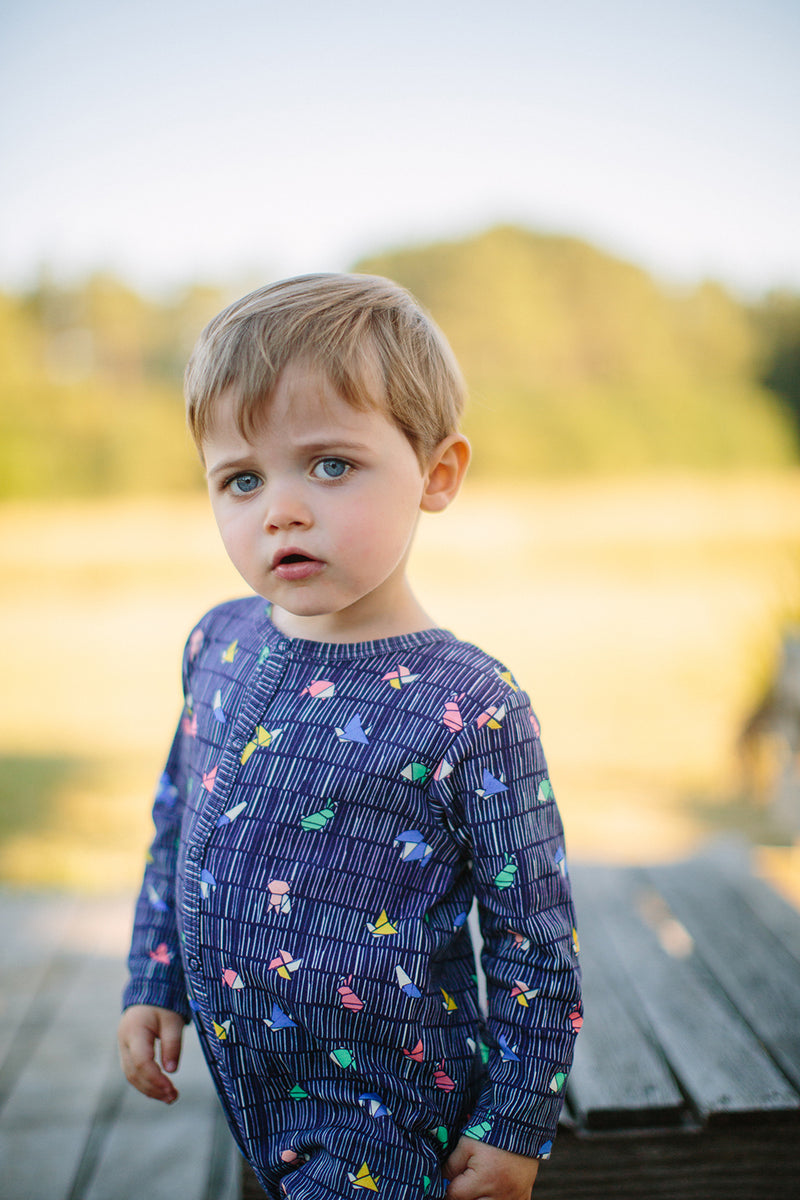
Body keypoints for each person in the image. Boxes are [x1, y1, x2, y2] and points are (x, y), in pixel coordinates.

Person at [118, 273, 581, 1200]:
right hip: (250, 1083)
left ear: (437, 474)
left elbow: (534, 941)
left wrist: (515, 1126)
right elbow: (178, 824)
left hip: (388, 1112)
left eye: (330, 465)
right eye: (241, 479)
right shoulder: (219, 643)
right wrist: (153, 976)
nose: (280, 509)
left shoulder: (471, 706)